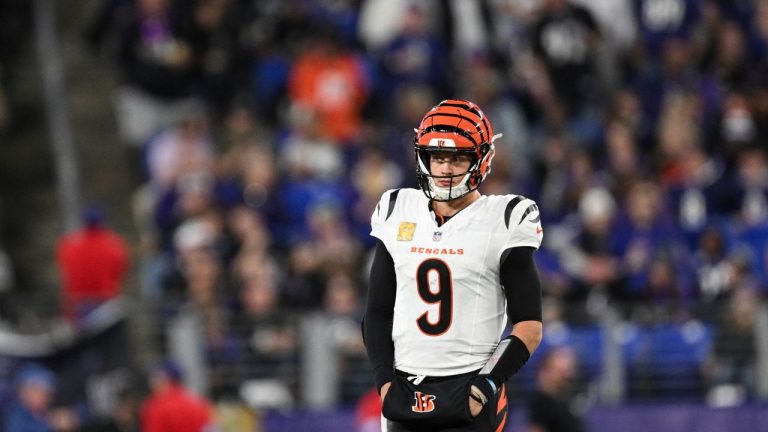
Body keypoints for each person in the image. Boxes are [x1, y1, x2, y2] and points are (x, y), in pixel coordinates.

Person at [363, 99, 544, 431]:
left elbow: (529, 326)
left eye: (458, 158)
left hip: (469, 386)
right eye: (438, 157)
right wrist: (385, 382)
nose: (445, 169)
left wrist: (486, 385)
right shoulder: (397, 208)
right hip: (405, 389)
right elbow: (376, 312)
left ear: (482, 159)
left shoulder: (504, 217)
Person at [55, 206, 130, 323]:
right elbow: (120, 273)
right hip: (106, 303)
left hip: (77, 305)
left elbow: (65, 273)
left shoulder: (69, 245)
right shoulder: (115, 245)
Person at [140, 361, 213, 432]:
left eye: (155, 377)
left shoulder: (156, 406)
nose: (151, 382)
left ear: (164, 379)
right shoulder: (197, 402)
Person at [526, 346, 584, 432]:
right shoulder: (542, 403)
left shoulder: (567, 400)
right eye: (561, 372)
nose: (568, 376)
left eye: (569, 370)